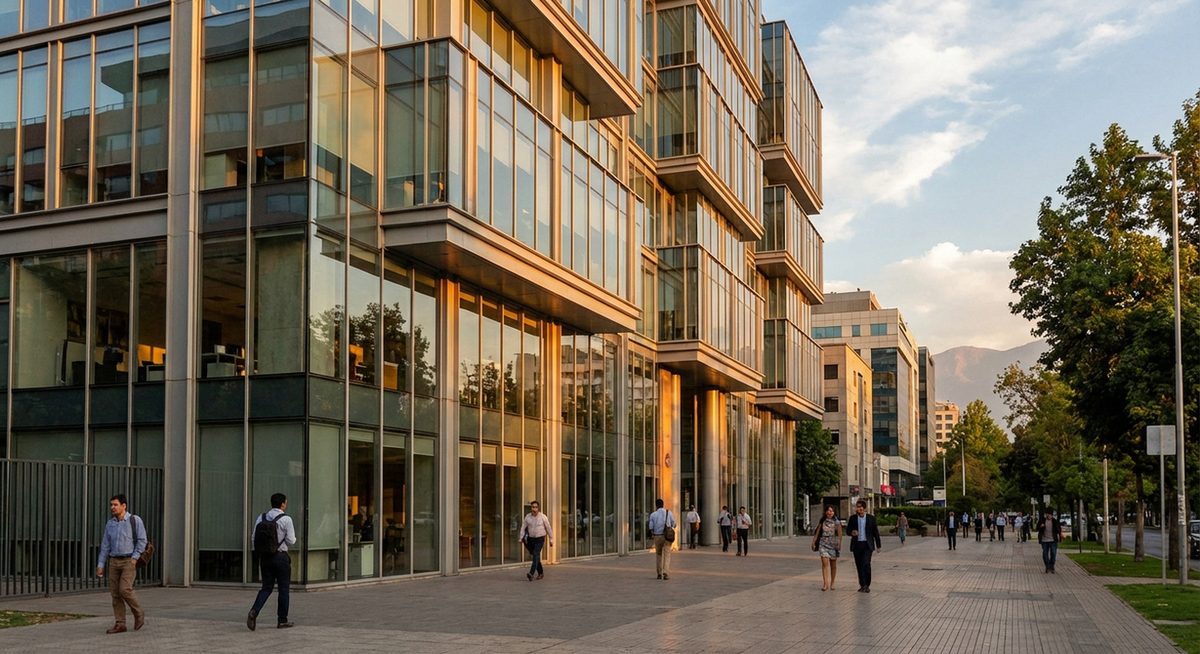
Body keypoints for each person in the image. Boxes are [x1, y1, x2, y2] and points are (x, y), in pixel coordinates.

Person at [96, 494, 147, 634]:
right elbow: (105, 545)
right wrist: (100, 564)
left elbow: (142, 540)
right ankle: (120, 624)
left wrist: (135, 557)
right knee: (115, 594)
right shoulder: (110, 524)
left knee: (125, 589)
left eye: (115, 504)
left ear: (124, 506)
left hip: (128, 560)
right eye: (111, 505)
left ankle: (138, 612)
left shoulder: (134, 520)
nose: (112, 507)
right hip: (114, 561)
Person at [247, 493, 297, 630]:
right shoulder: (286, 519)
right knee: (283, 589)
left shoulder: (261, 517)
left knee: (266, 588)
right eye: (286, 502)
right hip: (281, 557)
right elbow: (291, 541)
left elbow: (254, 538)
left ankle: (254, 611)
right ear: (283, 504)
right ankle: (282, 620)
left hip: (265, 558)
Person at [847, 500, 882, 592]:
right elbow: (848, 531)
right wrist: (852, 532)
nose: (858, 509)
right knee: (859, 565)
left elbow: (875, 532)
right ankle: (862, 585)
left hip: (867, 545)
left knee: (866, 564)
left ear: (864, 508)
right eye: (857, 507)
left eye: (860, 507)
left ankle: (867, 584)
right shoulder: (853, 518)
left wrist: (878, 545)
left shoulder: (871, 518)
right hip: (857, 545)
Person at [519, 500, 553, 581]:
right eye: (533, 507)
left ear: (538, 508)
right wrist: (521, 537)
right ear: (531, 508)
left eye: (536, 507)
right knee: (535, 556)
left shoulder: (543, 517)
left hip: (540, 539)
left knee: (535, 554)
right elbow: (523, 527)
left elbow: (548, 528)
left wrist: (551, 539)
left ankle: (531, 573)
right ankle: (541, 573)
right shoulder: (528, 517)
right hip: (531, 539)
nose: (534, 509)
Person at [812, 505, 842, 591]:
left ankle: (832, 583)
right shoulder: (822, 521)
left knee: (833, 564)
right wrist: (814, 542)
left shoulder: (837, 522)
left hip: (833, 544)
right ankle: (825, 583)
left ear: (834, 512)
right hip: (823, 543)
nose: (830, 512)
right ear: (825, 512)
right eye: (828, 510)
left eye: (831, 511)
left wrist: (839, 544)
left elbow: (840, 534)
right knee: (825, 564)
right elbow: (817, 533)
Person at [647, 498, 676, 580]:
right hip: (667, 537)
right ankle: (665, 572)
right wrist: (671, 527)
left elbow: (651, 527)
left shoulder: (653, 515)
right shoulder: (669, 512)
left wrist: (653, 533)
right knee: (667, 554)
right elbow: (674, 523)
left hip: (657, 536)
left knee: (658, 554)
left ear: (656, 505)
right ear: (663, 505)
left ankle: (659, 573)